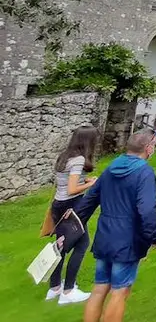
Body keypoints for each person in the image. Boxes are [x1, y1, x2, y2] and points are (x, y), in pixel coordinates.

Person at [75, 130, 156, 322]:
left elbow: (89, 200)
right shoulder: (144, 172)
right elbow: (146, 210)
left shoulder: (112, 166)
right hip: (126, 240)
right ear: (149, 148)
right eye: (153, 146)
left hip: (105, 237)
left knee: (98, 289)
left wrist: (73, 226)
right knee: (119, 292)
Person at [46, 125, 100, 305]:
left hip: (59, 204)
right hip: (71, 205)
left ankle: (54, 288)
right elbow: (71, 189)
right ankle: (68, 290)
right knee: (82, 244)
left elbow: (65, 182)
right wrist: (91, 184)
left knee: (61, 245)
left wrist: (85, 180)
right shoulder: (78, 160)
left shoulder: (64, 156)